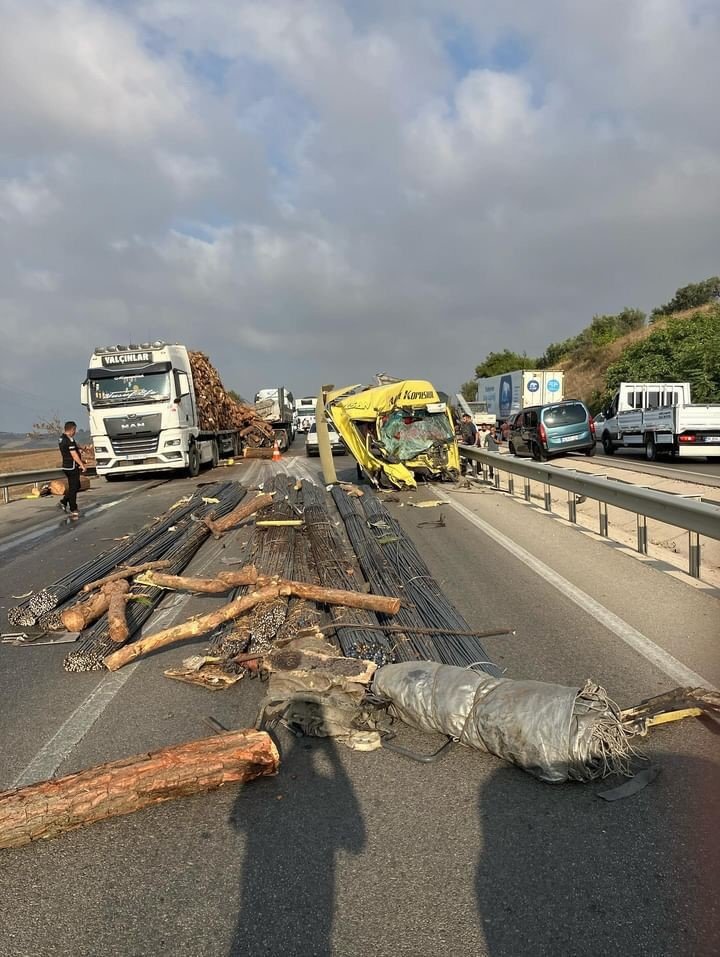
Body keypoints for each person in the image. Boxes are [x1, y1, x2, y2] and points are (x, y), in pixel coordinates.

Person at [58, 420, 86, 519]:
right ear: (72, 429)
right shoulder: (69, 440)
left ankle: (64, 501)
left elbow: (74, 445)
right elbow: (74, 455)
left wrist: (80, 448)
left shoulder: (62, 438)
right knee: (74, 488)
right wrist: (82, 465)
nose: (75, 432)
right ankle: (73, 508)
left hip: (66, 466)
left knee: (76, 485)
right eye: (75, 430)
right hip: (72, 466)